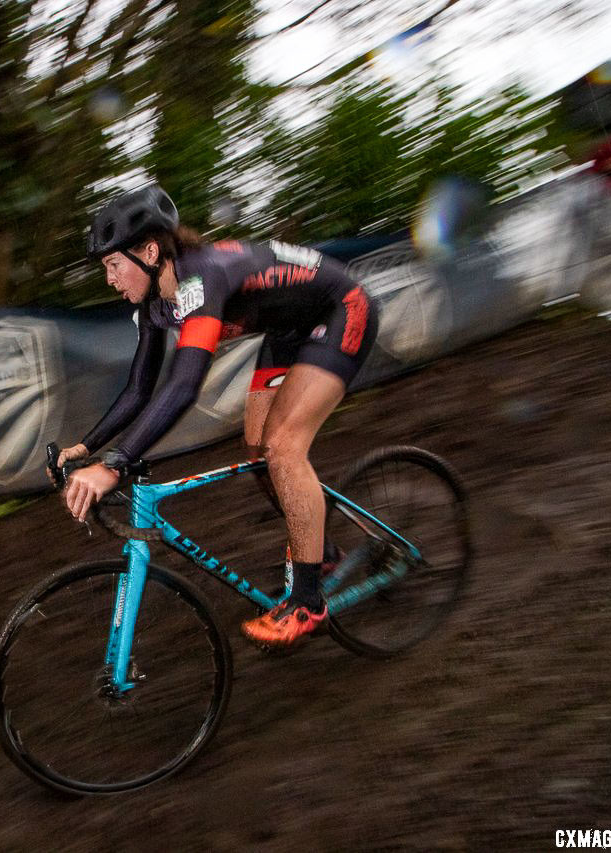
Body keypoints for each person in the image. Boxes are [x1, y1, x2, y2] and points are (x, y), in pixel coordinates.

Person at [58, 184, 379, 649]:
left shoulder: (201, 277)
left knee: (283, 448)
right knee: (256, 450)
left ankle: (309, 603)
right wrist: (86, 448)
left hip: (342, 308)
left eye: (112, 265)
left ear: (150, 251)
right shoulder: (154, 303)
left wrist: (114, 466)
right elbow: (139, 388)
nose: (109, 279)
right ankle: (322, 553)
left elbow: (185, 385)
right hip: (291, 327)